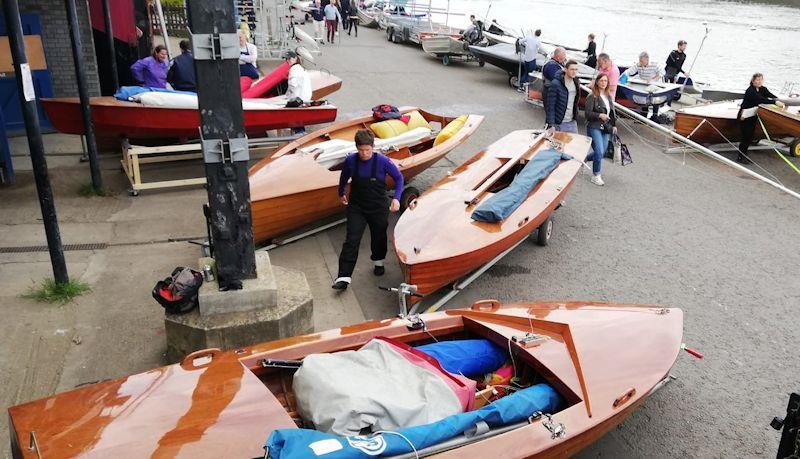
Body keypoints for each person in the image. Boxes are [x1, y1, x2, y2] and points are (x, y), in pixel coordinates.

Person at [332, 129, 403, 290]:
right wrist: (341, 192)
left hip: (378, 206)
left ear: (373, 147)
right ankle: (343, 277)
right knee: (351, 239)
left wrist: (397, 198)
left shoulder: (383, 161)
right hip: (357, 206)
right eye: (361, 150)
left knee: (378, 235)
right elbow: (344, 177)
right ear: (356, 148)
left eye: (367, 150)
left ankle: (378, 261)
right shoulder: (351, 160)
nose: (364, 153)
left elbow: (399, 178)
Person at [736, 73, 784, 164]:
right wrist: (774, 102)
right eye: (757, 80)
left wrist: (778, 100)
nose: (759, 81)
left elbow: (771, 95)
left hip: (753, 115)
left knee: (750, 137)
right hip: (744, 115)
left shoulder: (763, 89)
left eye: (761, 79)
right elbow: (760, 99)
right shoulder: (750, 91)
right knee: (745, 137)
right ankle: (740, 157)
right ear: (753, 81)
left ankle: (744, 155)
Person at [584, 73, 618, 186]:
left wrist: (614, 125)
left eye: (605, 81)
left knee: (602, 152)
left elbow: (612, 112)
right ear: (597, 82)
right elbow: (587, 114)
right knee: (599, 151)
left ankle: (584, 159)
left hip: (606, 126)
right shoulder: (592, 96)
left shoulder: (608, 96)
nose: (604, 83)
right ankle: (596, 175)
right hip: (594, 126)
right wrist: (599, 115)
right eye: (601, 81)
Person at [623, 51, 663, 120]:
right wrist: (624, 78)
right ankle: (644, 117)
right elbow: (629, 71)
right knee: (644, 99)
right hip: (644, 83)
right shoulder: (638, 64)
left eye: (642, 61)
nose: (640, 63)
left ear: (647, 60)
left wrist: (653, 80)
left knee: (654, 100)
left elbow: (662, 72)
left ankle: (654, 117)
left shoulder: (654, 64)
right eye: (640, 61)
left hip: (655, 83)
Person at [545, 60, 580, 133]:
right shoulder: (555, 84)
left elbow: (575, 101)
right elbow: (550, 105)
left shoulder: (576, 82)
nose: (574, 72)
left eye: (576, 69)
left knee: (574, 144)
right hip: (559, 123)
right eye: (572, 69)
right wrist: (551, 124)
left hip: (572, 122)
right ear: (565, 69)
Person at [284, 50, 313, 134]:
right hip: (305, 97)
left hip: (299, 98)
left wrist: (286, 96)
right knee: (299, 119)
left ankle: (299, 134)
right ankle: (301, 132)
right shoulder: (301, 68)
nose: (287, 60)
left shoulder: (293, 69)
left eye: (289, 58)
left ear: (295, 58)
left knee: (292, 115)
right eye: (286, 59)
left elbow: (293, 85)